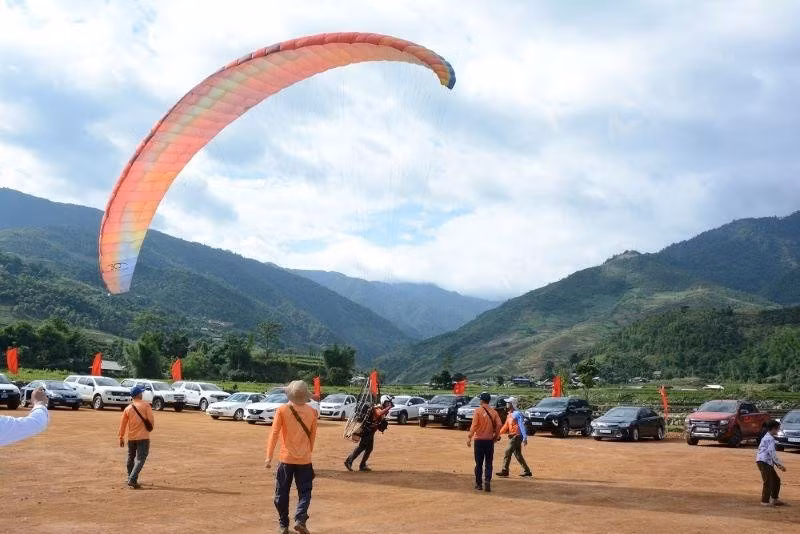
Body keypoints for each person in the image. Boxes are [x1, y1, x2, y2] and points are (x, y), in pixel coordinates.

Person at [265, 380, 318, 534]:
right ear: (305, 396)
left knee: (281, 492)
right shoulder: (312, 413)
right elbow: (312, 437)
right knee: (305, 492)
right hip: (305, 460)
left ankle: (283, 525)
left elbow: (274, 433)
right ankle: (300, 519)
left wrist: (269, 456)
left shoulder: (282, 410)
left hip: (286, 459)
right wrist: (308, 453)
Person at [118, 385, 154, 489]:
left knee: (130, 457)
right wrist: (149, 428)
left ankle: (130, 477)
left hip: (131, 438)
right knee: (140, 459)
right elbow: (151, 420)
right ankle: (132, 479)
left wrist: (121, 437)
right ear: (138, 394)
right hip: (143, 437)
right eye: (141, 392)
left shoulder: (128, 408)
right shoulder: (146, 405)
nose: (142, 394)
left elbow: (123, 424)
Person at [344, 394, 393, 472]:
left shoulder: (383, 409)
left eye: (390, 403)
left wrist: (387, 410)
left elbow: (381, 417)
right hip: (367, 430)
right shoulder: (377, 408)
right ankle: (348, 461)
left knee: (369, 449)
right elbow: (378, 414)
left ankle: (362, 465)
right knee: (361, 447)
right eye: (388, 402)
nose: (389, 404)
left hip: (371, 431)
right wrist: (388, 407)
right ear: (383, 402)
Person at [467, 391, 502, 492]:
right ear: (489, 400)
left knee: (478, 463)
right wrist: (496, 435)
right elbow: (499, 424)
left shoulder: (477, 411)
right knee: (488, 462)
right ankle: (487, 480)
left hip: (479, 440)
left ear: (482, 400)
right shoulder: (494, 412)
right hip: (489, 441)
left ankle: (479, 484)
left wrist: (469, 437)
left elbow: (474, 426)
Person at [496, 397, 532, 478]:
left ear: (512, 404)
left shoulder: (517, 414)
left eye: (508, 403)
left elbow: (522, 426)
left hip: (517, 436)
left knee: (507, 451)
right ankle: (527, 471)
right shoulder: (509, 415)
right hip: (513, 436)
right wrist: (498, 434)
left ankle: (505, 471)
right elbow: (505, 426)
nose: (506, 404)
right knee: (518, 454)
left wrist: (525, 438)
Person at [756, 419, 787, 506]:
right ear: (773, 429)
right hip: (764, 462)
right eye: (778, 429)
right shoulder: (770, 438)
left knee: (776, 480)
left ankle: (774, 499)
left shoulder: (767, 437)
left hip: (765, 462)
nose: (778, 430)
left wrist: (778, 464)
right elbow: (772, 452)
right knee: (768, 481)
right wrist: (779, 464)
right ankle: (765, 501)